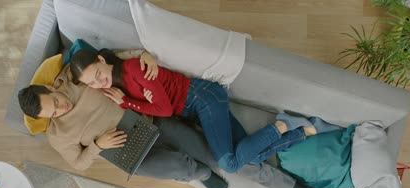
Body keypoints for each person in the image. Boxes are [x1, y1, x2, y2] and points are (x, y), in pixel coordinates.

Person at [18, 50, 317, 188]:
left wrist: (143, 55)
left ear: (50, 88)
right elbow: (79, 162)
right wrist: (97, 145)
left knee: (224, 159)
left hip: (153, 119)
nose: (62, 108)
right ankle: (199, 173)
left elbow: (113, 62)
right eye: (53, 113)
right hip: (121, 148)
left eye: (56, 101)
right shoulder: (56, 134)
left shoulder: (75, 76)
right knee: (181, 167)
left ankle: (290, 185)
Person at [69, 49, 331, 175]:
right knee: (247, 157)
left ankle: (282, 125)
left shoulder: (134, 70)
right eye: (92, 82)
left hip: (202, 98)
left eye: (98, 74)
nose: (99, 82)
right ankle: (298, 133)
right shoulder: (115, 83)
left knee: (229, 163)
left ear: (102, 61)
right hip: (195, 108)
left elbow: (164, 108)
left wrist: (129, 103)